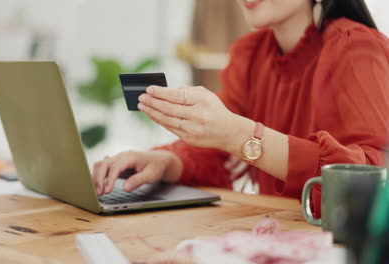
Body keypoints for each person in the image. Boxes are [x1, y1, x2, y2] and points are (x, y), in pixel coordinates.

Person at [92, 0, 389, 216]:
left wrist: (242, 135)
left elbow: (370, 180)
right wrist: (165, 162)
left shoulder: (355, 48)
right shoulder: (250, 54)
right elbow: (219, 152)